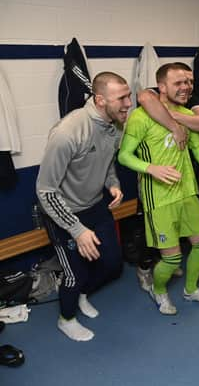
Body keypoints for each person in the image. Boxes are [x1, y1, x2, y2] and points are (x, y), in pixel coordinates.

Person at [118, 63, 199, 315]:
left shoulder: (186, 115)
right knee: (172, 258)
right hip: (160, 197)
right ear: (161, 87)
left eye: (188, 82)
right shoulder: (141, 117)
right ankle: (159, 290)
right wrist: (151, 168)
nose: (185, 87)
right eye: (178, 83)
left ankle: (191, 289)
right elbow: (124, 156)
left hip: (187, 192)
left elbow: (198, 151)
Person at [36, 71, 131, 341]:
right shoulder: (68, 132)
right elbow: (45, 191)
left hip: (95, 206)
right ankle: (66, 319)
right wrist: (77, 230)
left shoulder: (115, 124)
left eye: (129, 96)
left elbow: (108, 161)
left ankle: (82, 295)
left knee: (112, 264)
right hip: (62, 212)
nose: (128, 104)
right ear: (100, 100)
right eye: (122, 98)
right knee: (74, 273)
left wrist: (113, 183)